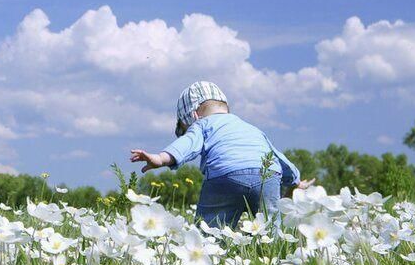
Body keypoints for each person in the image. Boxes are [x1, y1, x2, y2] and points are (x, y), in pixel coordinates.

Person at [130, 81, 311, 226]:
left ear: (194, 115)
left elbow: (187, 144)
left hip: (225, 176)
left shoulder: (202, 124)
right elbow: (277, 156)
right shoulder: (251, 129)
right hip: (267, 176)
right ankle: (273, 260)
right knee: (270, 229)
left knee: (210, 230)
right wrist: (295, 181)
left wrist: (161, 158)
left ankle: (210, 259)